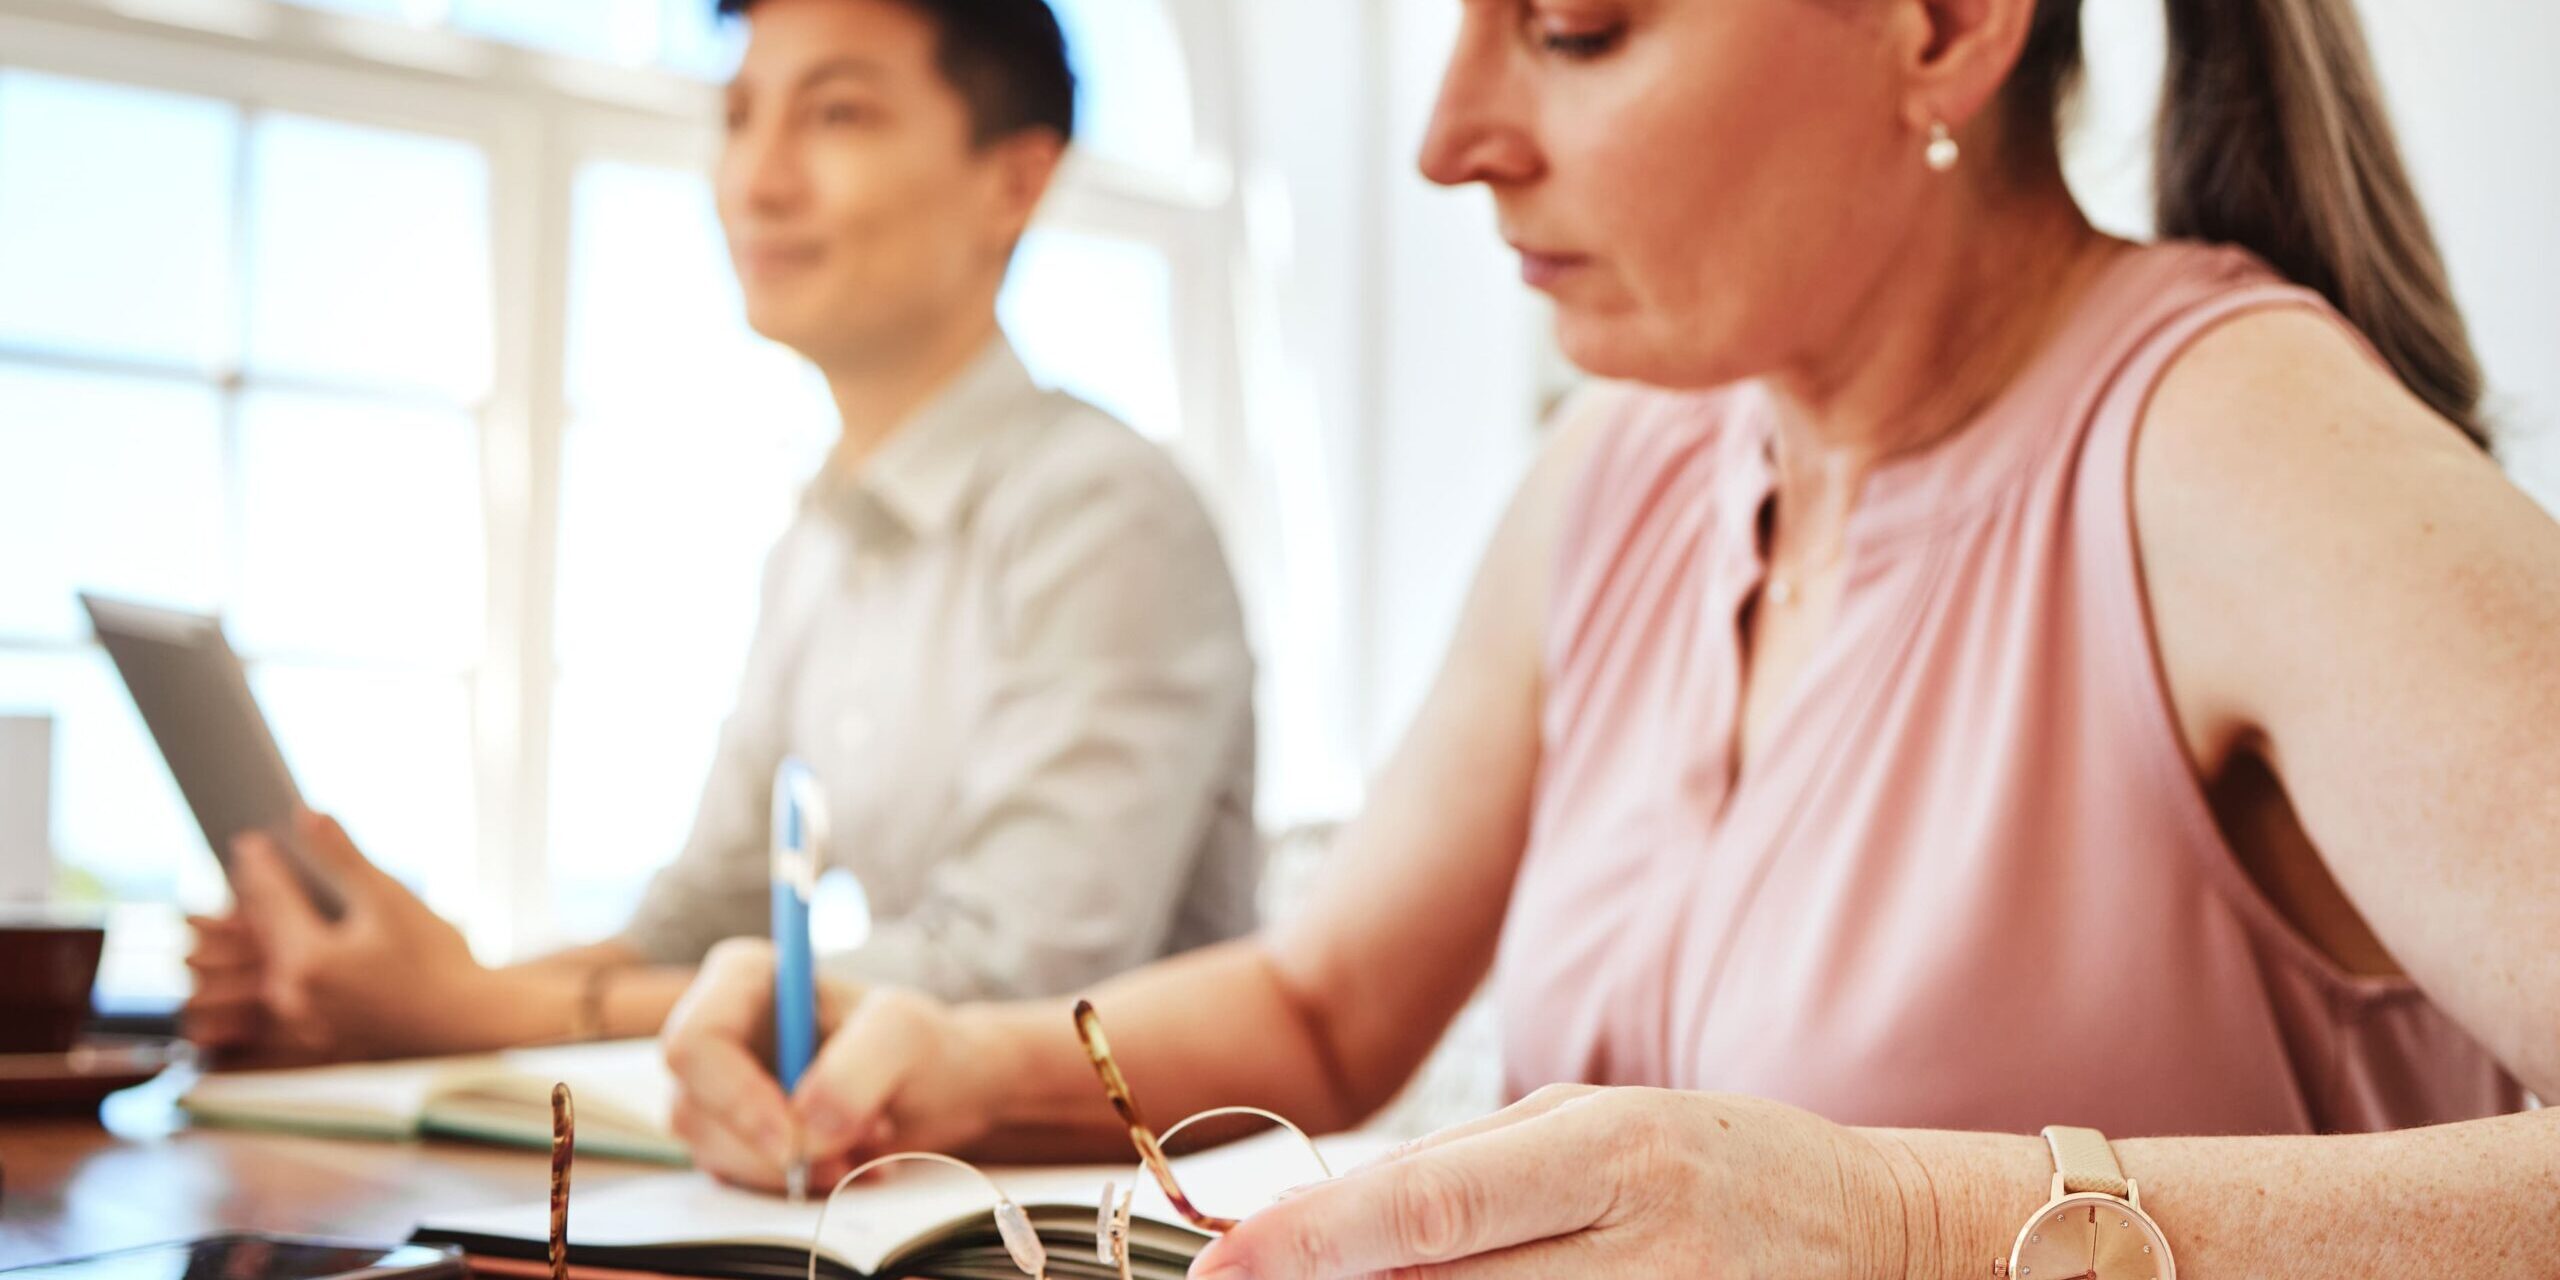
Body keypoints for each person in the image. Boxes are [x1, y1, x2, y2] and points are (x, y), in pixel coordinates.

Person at [661, 0, 2560, 1271]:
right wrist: (954, 1061)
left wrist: (1896, 1226)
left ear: (1943, 24)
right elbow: (1328, 1006)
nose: (1449, 139)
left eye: (1573, 28)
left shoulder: (2241, 445)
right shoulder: (1624, 464)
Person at [181, 0, 1259, 1065]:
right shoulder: (818, 544)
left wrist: (468, 1010)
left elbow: (1010, 979)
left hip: (1118, 1170)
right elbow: (696, 923)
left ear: (1014, 181)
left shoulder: (1106, 511)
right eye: (739, 116)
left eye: (835, 115)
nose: (755, 180)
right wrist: (380, 991)